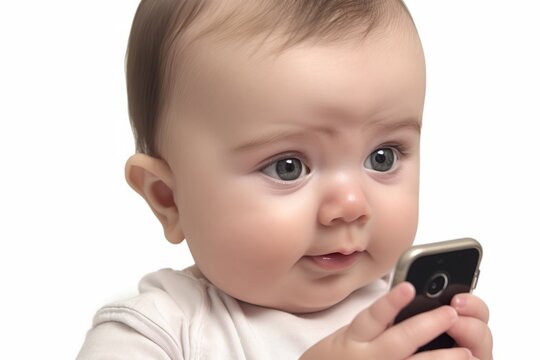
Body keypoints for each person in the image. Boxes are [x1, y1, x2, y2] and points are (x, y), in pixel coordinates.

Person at [77, 0, 493, 358]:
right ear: (168, 198)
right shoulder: (157, 333)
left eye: (382, 158)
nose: (350, 204)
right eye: (287, 166)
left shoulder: (406, 316)